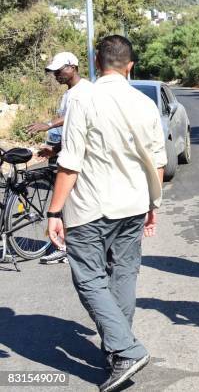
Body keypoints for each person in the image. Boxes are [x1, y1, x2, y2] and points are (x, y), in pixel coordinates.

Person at [46, 35, 166, 391]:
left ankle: (126, 349)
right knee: (124, 276)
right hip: (133, 205)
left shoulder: (84, 98)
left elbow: (70, 164)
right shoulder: (145, 104)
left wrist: (54, 212)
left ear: (97, 63)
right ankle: (117, 351)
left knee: (89, 279)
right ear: (130, 66)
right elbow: (157, 161)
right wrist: (152, 206)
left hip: (90, 208)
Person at [26, 51, 93, 264]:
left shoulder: (86, 91)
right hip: (68, 153)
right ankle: (65, 246)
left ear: (73, 67)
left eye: (59, 70)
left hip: (83, 160)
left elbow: (75, 119)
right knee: (66, 204)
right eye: (54, 72)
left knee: (72, 206)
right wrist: (54, 150)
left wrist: (48, 125)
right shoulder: (68, 93)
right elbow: (73, 131)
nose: (56, 75)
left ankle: (70, 248)